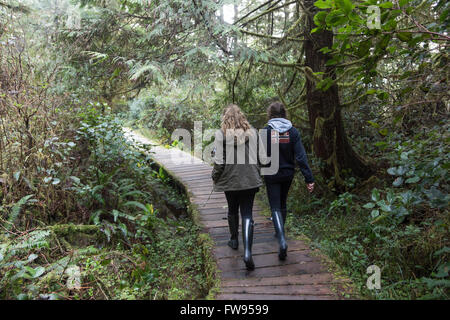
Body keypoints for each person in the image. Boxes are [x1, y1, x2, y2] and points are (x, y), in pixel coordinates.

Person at [211, 104, 263, 271]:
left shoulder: (221, 135)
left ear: (225, 118)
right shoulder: (253, 133)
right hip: (249, 179)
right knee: (247, 213)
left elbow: (219, 162)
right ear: (242, 117)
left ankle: (234, 240)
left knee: (232, 209)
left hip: (231, 180)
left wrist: (215, 177)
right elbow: (262, 157)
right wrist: (256, 170)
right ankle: (247, 252)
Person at [262, 101, 315, 260]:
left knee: (275, 206)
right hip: (287, 174)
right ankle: (280, 233)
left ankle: (282, 239)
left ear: (270, 114)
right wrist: (309, 178)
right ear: (284, 114)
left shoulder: (266, 131)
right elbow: (300, 156)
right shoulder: (293, 132)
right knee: (283, 203)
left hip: (271, 174)